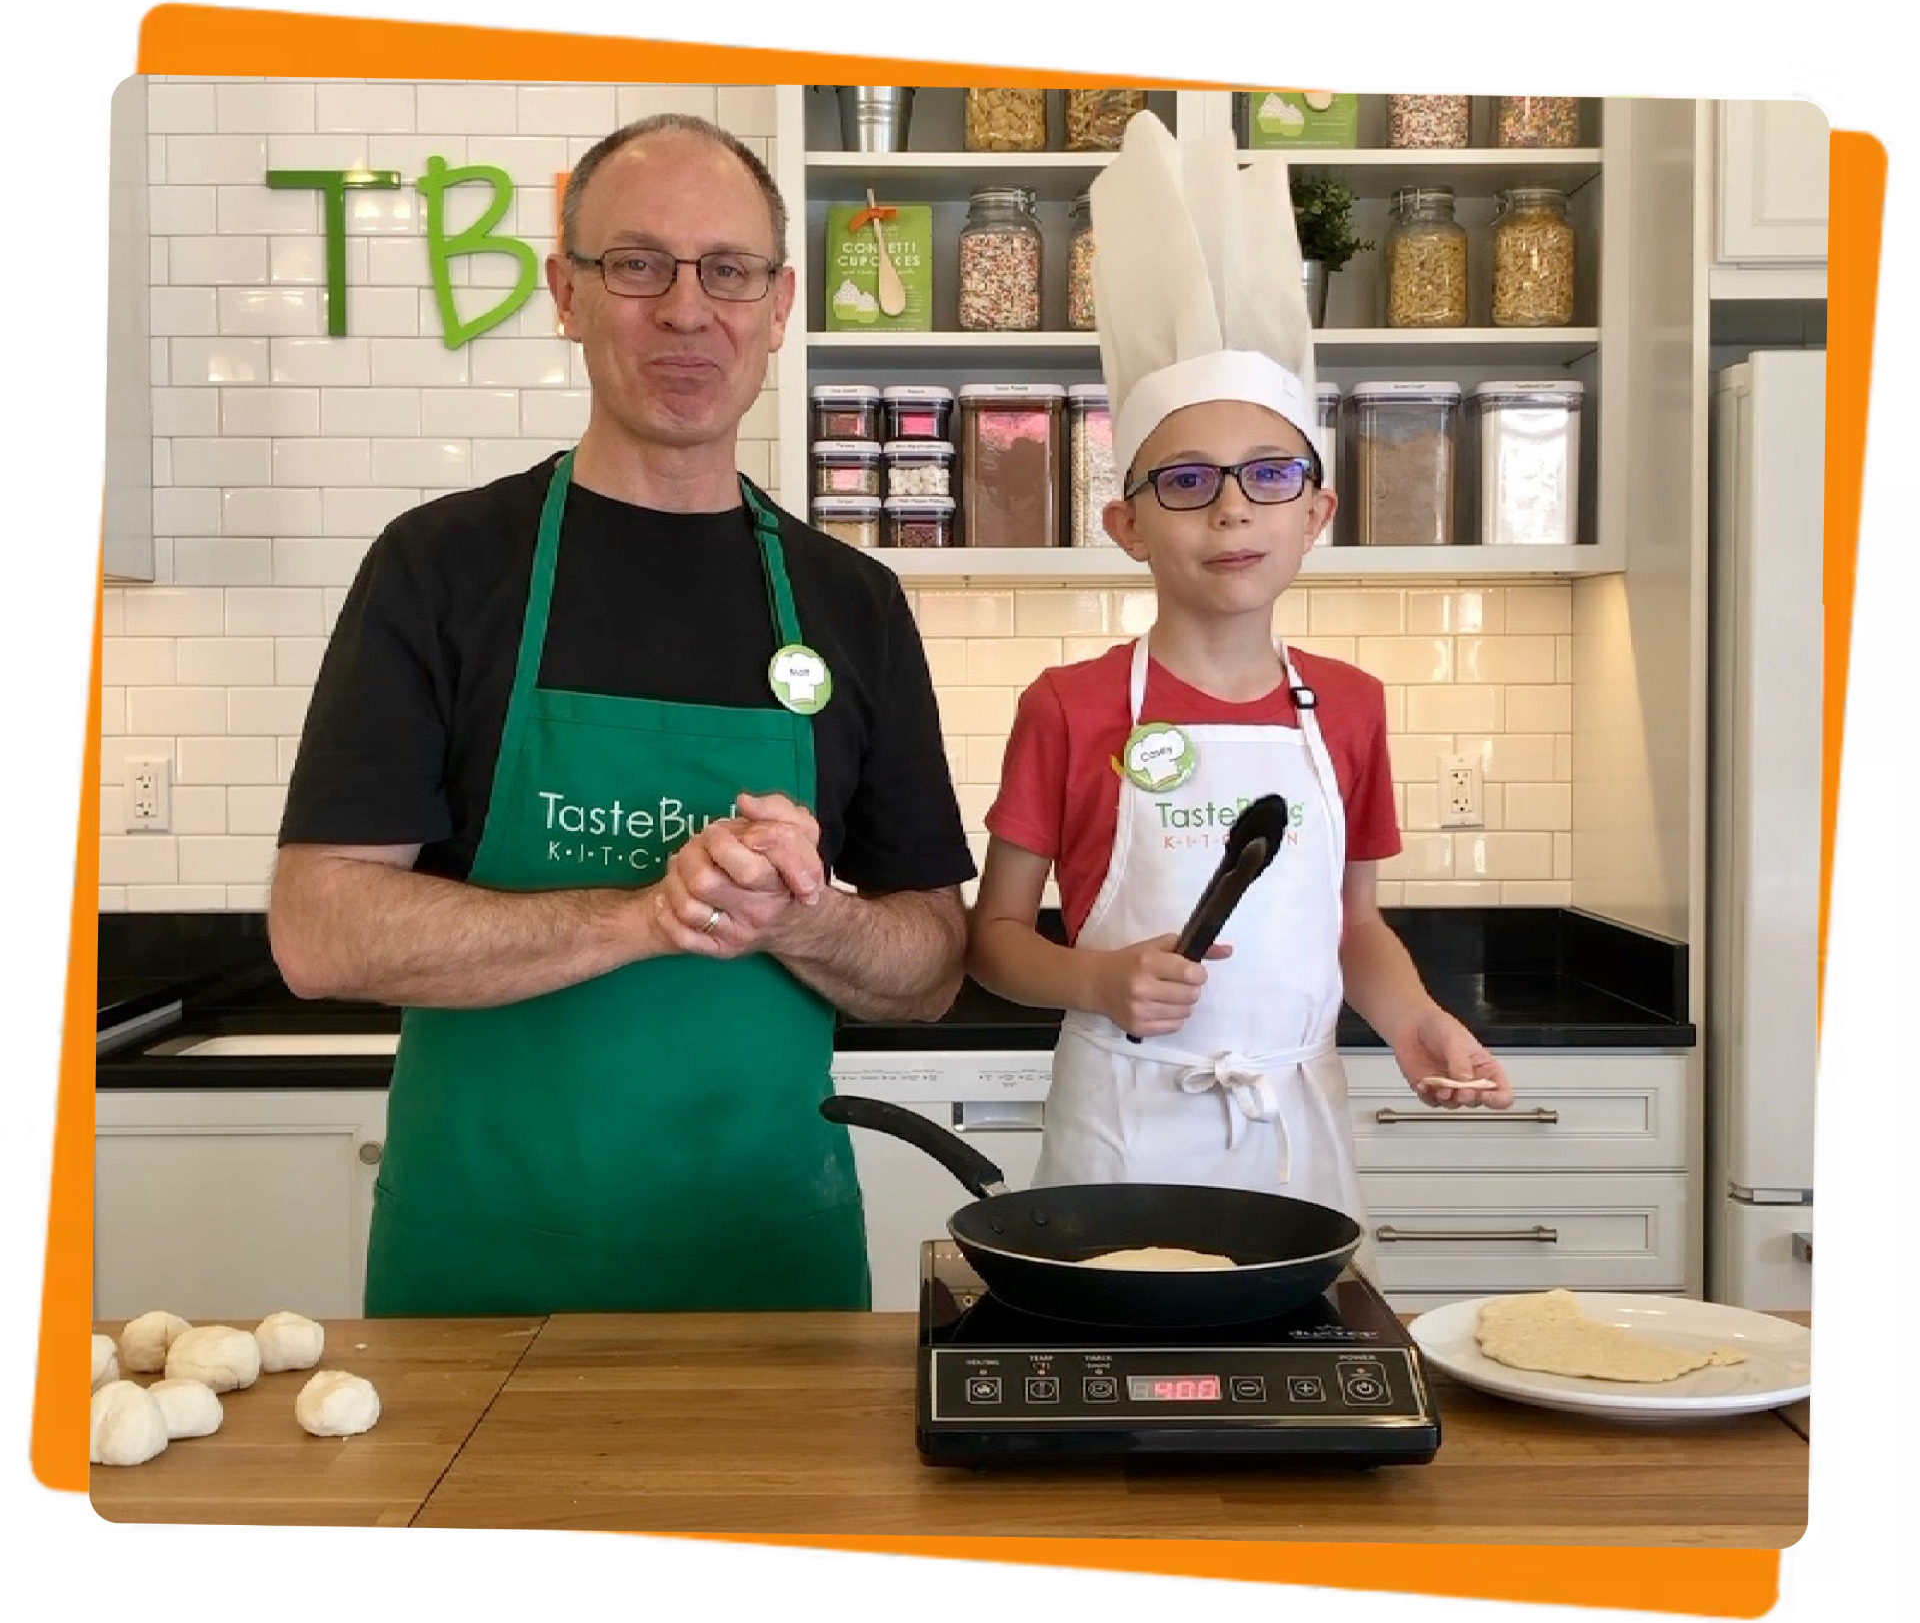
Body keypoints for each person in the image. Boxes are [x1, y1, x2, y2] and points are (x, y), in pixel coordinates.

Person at [267, 114, 975, 1318]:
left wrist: (800, 920)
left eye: (728, 270)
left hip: (771, 1280)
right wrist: (651, 913)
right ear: (569, 292)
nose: (686, 311)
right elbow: (320, 929)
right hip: (481, 1277)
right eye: (637, 264)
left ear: (778, 303)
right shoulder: (439, 566)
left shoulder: (854, 602)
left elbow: (932, 966)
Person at [965, 114, 1513, 1278]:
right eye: (1186, 481)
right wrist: (1098, 979)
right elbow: (994, 942)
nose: (1231, 510)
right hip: (1118, 1125)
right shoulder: (1067, 707)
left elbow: (1353, 924)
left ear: (1317, 512)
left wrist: (1415, 1026)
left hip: (1293, 1136)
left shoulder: (1351, 707)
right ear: (1125, 523)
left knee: (1288, 1393)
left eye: (1270, 478)